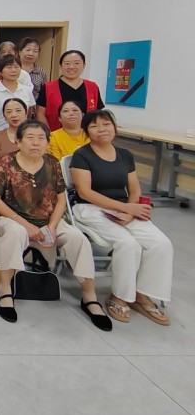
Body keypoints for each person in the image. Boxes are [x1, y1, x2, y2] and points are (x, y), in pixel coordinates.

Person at [0, 120, 112, 330]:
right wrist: (26, 225)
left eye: (41, 138)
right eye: (30, 138)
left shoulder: (52, 163)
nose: (36, 143)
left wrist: (52, 226)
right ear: (18, 141)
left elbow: (61, 198)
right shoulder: (6, 162)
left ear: (47, 142)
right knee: (15, 234)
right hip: (11, 218)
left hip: (47, 219)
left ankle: (89, 296)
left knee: (77, 238)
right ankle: (5, 290)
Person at [71, 109, 173, 325]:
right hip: (91, 209)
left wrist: (129, 210)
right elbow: (85, 192)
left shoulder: (125, 155)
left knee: (161, 244)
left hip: (124, 208)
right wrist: (125, 208)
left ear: (114, 128)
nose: (101, 129)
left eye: (106, 124)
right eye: (94, 126)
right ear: (87, 132)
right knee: (128, 244)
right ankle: (120, 296)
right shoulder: (82, 155)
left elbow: (134, 189)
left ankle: (142, 295)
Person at [37, 50, 104, 131]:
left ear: (84, 65)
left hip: (86, 135)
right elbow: (40, 113)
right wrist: (48, 134)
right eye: (67, 63)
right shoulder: (48, 87)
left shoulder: (92, 87)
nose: (71, 67)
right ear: (61, 66)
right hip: (56, 135)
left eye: (76, 63)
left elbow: (98, 113)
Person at [0, 54, 36, 133]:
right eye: (9, 67)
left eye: (16, 67)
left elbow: (28, 115)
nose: (13, 70)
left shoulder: (27, 90)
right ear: (0, 72)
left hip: (21, 135)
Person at [0, 98, 28, 170]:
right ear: (4, 117)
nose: (14, 115)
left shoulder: (35, 136)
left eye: (18, 110)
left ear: (26, 114)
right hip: (4, 175)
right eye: (9, 112)